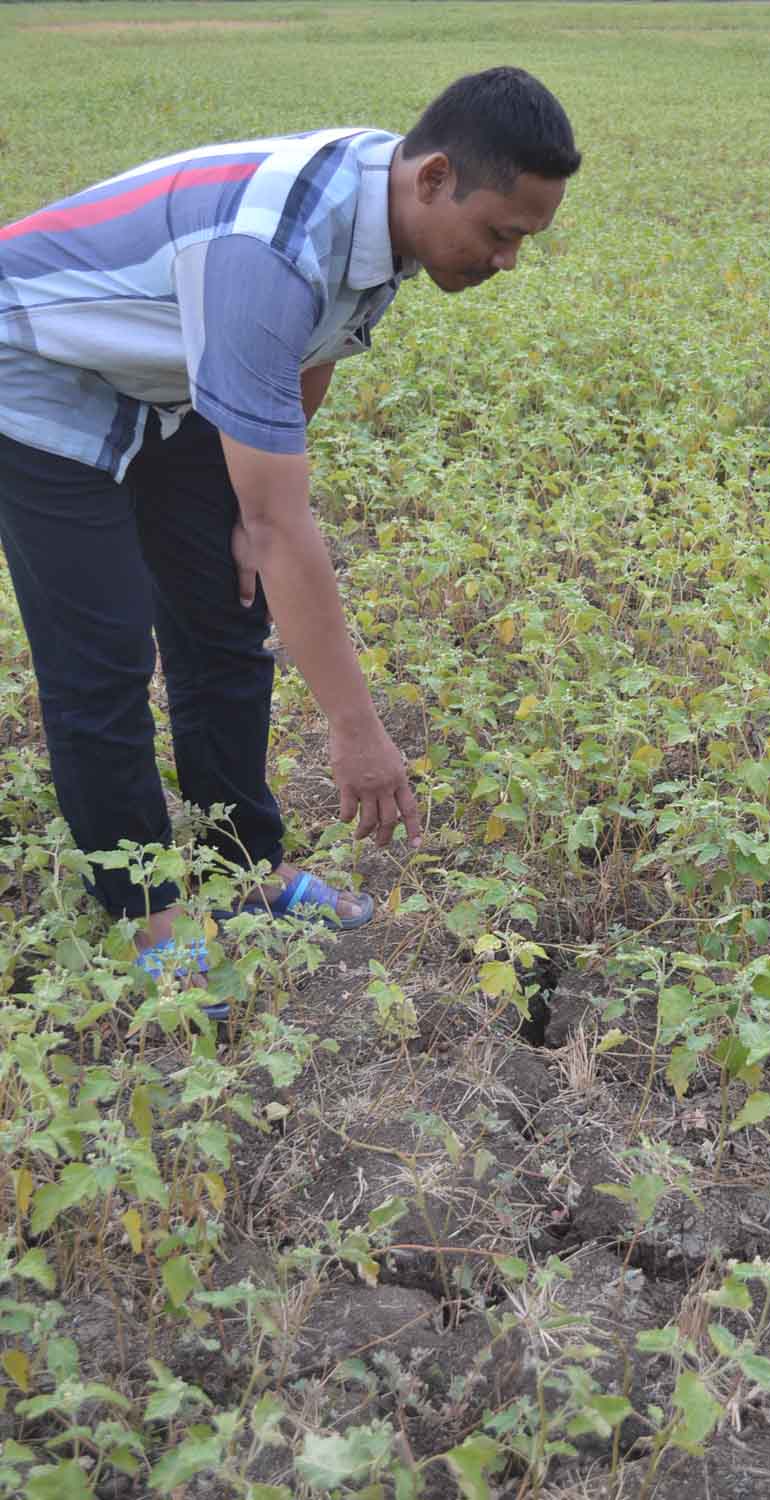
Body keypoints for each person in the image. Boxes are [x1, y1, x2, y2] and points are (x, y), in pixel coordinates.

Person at [0, 68, 581, 997]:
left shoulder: (383, 204)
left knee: (224, 621)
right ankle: (146, 908)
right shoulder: (270, 247)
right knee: (104, 655)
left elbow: (311, 349)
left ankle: (246, 868)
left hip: (163, 365)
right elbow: (284, 526)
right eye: (503, 233)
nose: (508, 260)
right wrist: (358, 737)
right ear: (434, 179)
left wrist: (243, 516)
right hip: (31, 356)